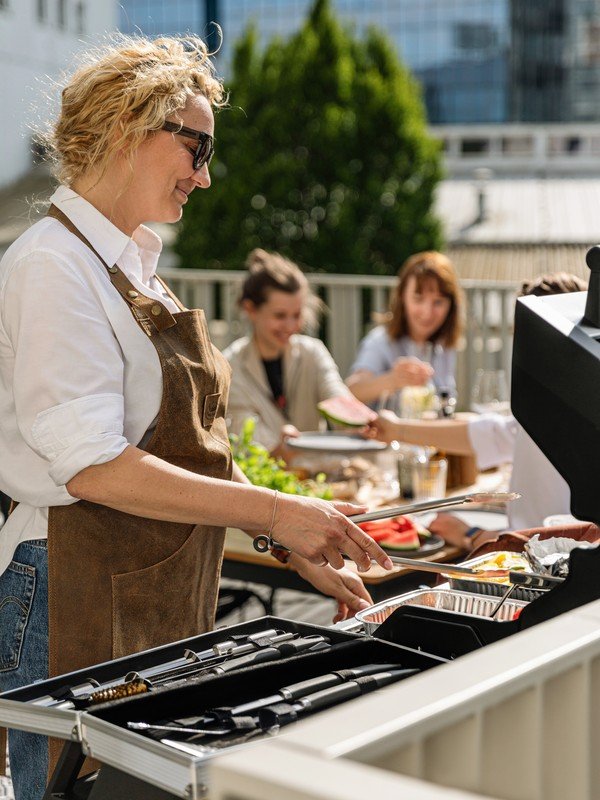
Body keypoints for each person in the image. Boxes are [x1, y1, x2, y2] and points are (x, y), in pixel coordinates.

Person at [0, 36, 392, 799]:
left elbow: (192, 452)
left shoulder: (132, 267)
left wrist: (285, 538)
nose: (205, 176)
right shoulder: (53, 264)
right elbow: (92, 466)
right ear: (127, 128)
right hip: (68, 588)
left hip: (143, 588)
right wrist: (274, 509)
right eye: (198, 147)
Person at [367, 272, 588, 551]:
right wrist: (397, 429)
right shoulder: (570, 406)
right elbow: (494, 433)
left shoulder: (550, 418)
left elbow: (543, 547)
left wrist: (470, 534)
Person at [224, 249, 352, 458]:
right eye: (280, 316)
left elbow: (336, 395)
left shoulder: (313, 351)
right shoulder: (229, 367)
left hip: (319, 471)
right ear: (251, 309)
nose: (291, 326)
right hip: (263, 477)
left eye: (297, 315)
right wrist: (279, 449)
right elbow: (251, 443)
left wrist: (361, 424)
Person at [346, 251, 463, 412]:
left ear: (451, 306)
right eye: (418, 299)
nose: (427, 312)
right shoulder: (380, 340)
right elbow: (351, 390)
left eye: (438, 302)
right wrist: (392, 380)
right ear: (402, 297)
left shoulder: (444, 346)